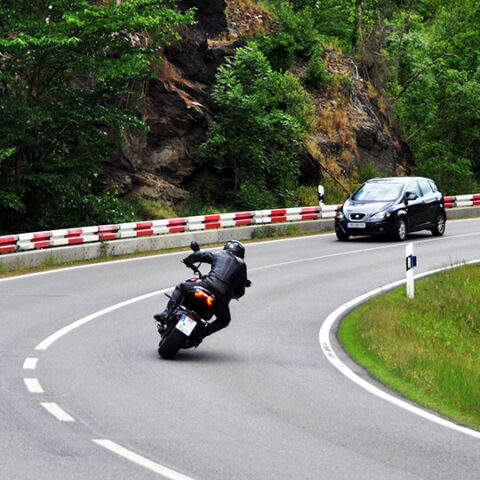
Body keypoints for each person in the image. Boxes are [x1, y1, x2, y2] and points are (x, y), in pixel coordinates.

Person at [154, 240, 251, 342]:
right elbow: (240, 290)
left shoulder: (220, 254)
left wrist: (188, 260)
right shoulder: (242, 265)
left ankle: (166, 313)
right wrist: (232, 294)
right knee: (224, 320)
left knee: (182, 286)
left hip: (206, 285)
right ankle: (202, 333)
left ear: (226, 248)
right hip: (220, 298)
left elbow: (200, 255)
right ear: (241, 254)